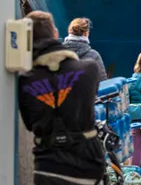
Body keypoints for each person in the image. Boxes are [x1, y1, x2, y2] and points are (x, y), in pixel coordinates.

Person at [18, 11, 107, 185]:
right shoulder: (89, 69)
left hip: (47, 167)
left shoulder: (25, 81)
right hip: (87, 164)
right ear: (56, 34)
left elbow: (29, 123)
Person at [62, 17, 107, 81]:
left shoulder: (55, 54)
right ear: (86, 33)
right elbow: (103, 82)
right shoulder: (94, 56)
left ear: (69, 32)